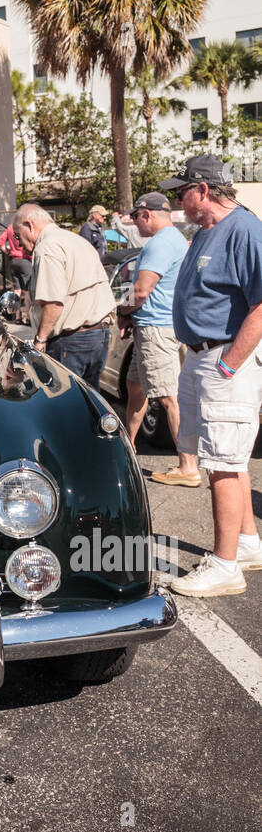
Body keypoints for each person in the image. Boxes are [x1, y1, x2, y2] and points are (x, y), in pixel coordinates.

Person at [154, 155, 262, 598]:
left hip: (224, 358)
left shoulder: (245, 229)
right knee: (227, 458)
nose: (178, 200)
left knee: (221, 461)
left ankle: (224, 566)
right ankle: (248, 543)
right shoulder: (207, 231)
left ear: (203, 190)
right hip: (206, 357)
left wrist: (229, 362)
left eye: (183, 191)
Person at [116, 193, 196, 474]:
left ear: (146, 214)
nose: (134, 223)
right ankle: (128, 446)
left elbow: (140, 291)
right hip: (157, 324)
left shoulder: (160, 244)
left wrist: (122, 312)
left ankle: (188, 466)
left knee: (168, 396)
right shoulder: (174, 239)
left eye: (135, 217)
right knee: (135, 387)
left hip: (156, 328)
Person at [14, 202, 114, 389]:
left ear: (29, 225)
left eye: (18, 236)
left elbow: (53, 303)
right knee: (89, 402)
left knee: (64, 405)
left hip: (71, 342)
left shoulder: (47, 247)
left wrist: (40, 340)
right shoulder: (76, 240)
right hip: (98, 335)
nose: (18, 243)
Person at [0, 222, 33, 295]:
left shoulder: (10, 228)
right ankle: (28, 307)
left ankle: (15, 306)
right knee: (27, 290)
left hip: (13, 261)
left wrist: (7, 251)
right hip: (24, 260)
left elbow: (0, 241)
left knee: (17, 290)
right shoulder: (24, 228)